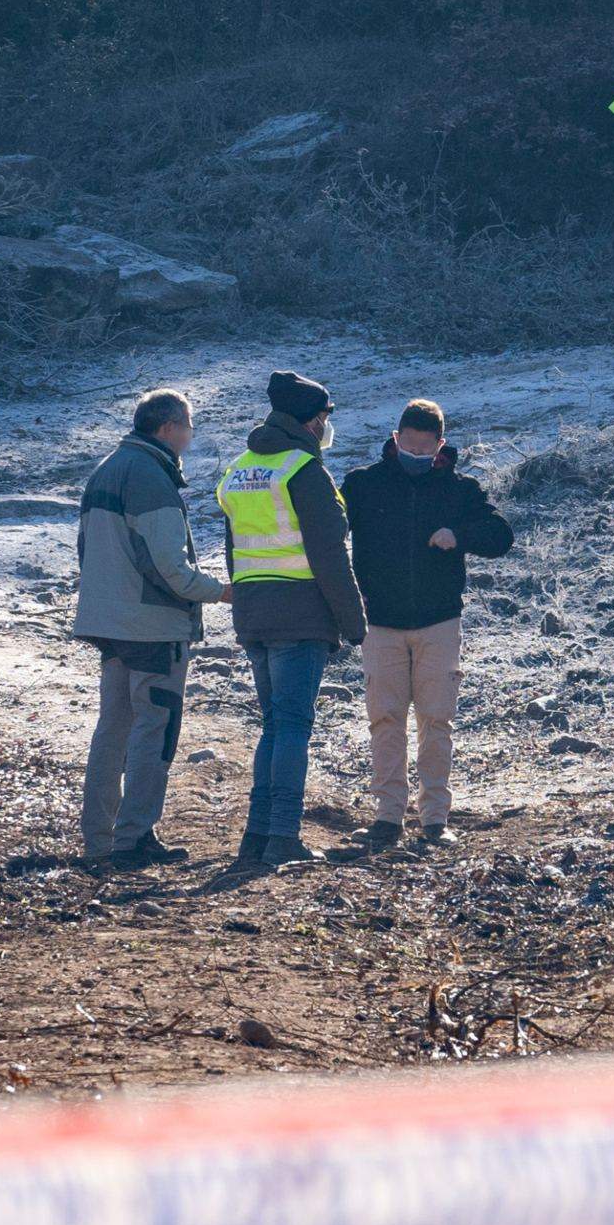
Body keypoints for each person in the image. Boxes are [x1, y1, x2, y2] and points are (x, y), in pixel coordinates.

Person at [338, 400, 515, 850]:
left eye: (424, 448)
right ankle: (388, 817)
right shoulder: (362, 484)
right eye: (408, 445)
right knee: (385, 720)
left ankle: (435, 819)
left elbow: (501, 535)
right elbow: (329, 537)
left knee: (437, 721)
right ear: (395, 439)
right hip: (379, 624)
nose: (415, 454)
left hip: (440, 623)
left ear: (440, 445)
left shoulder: (460, 489)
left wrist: (460, 536)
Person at [69, 388, 234, 869]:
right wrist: (219, 592)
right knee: (153, 733)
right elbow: (168, 566)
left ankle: (99, 840)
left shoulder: (108, 468)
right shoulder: (150, 477)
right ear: (168, 428)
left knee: (112, 730)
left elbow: (87, 549)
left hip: (108, 622)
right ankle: (135, 837)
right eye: (188, 427)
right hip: (153, 628)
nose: (190, 436)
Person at [215, 371, 367, 870]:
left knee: (274, 726)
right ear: (311, 421)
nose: (327, 426)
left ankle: (257, 837)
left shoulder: (239, 470)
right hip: (300, 616)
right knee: (294, 727)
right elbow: (329, 555)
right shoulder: (304, 470)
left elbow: (234, 550)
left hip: (254, 614)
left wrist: (243, 608)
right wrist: (354, 623)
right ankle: (283, 836)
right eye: (324, 417)